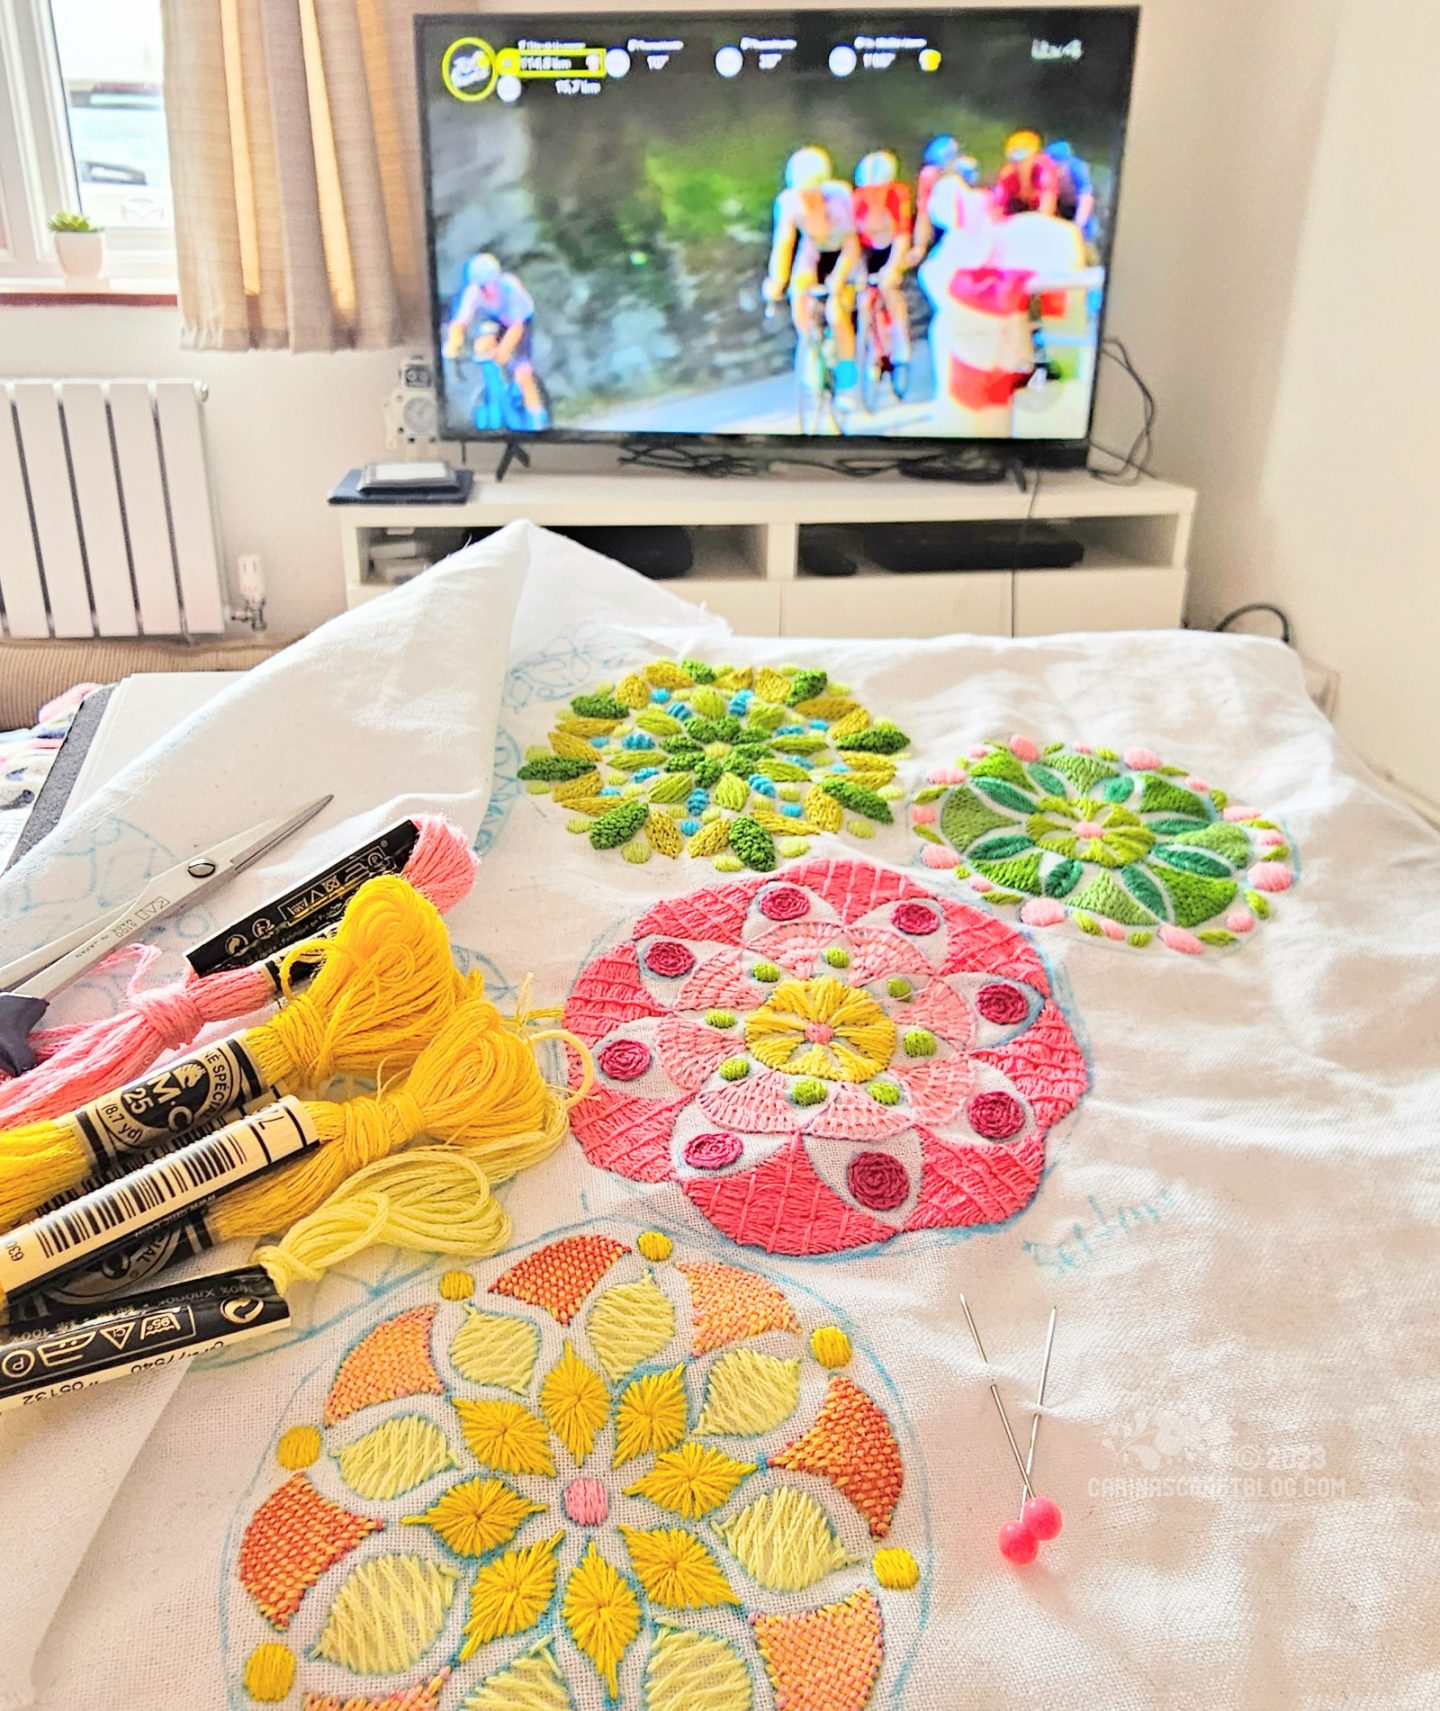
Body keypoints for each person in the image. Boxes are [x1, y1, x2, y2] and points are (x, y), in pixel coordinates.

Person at [762, 146, 863, 406]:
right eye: (802, 192)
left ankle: (848, 382)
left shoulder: (839, 199)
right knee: (800, 296)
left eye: (811, 192)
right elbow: (784, 245)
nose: (807, 198)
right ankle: (811, 351)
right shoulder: (788, 202)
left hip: (842, 253)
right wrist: (777, 281)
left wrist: (839, 281)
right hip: (814, 251)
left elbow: (852, 246)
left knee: (836, 314)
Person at [443, 252, 548, 430]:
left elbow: (517, 328)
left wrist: (503, 352)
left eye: (490, 284)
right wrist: (453, 344)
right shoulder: (473, 292)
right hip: (497, 319)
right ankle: (496, 388)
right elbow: (460, 322)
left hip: (520, 321)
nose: (487, 290)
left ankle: (536, 416)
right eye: (483, 287)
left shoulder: (509, 287)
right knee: (482, 344)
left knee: (522, 370)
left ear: (497, 278)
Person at [850, 150, 913, 375]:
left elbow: (902, 235)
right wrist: (858, 272)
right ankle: (875, 350)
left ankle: (900, 338)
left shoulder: (898, 195)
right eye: (869, 191)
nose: (873, 195)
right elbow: (853, 243)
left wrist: (894, 267)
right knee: (864, 298)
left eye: (879, 190)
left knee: (888, 286)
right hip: (867, 249)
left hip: (891, 246)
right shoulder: (856, 201)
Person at [911, 134, 982, 264]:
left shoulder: (966, 170)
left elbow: (976, 204)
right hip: (942, 224)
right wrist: (919, 246)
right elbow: (924, 212)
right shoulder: (929, 176)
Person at [993, 130, 1059, 218]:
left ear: (1035, 155)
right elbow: (998, 209)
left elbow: (1047, 206)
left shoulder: (1044, 170)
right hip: (1019, 209)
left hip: (1042, 209)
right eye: (1014, 159)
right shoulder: (1007, 176)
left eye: (1024, 158)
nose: (1020, 163)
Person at [1044, 140, 1096, 242]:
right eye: (1051, 167)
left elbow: (1086, 199)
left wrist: (1078, 227)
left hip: (1076, 211)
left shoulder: (1077, 168)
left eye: (1059, 167)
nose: (1056, 172)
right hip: (1057, 210)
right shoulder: (1044, 172)